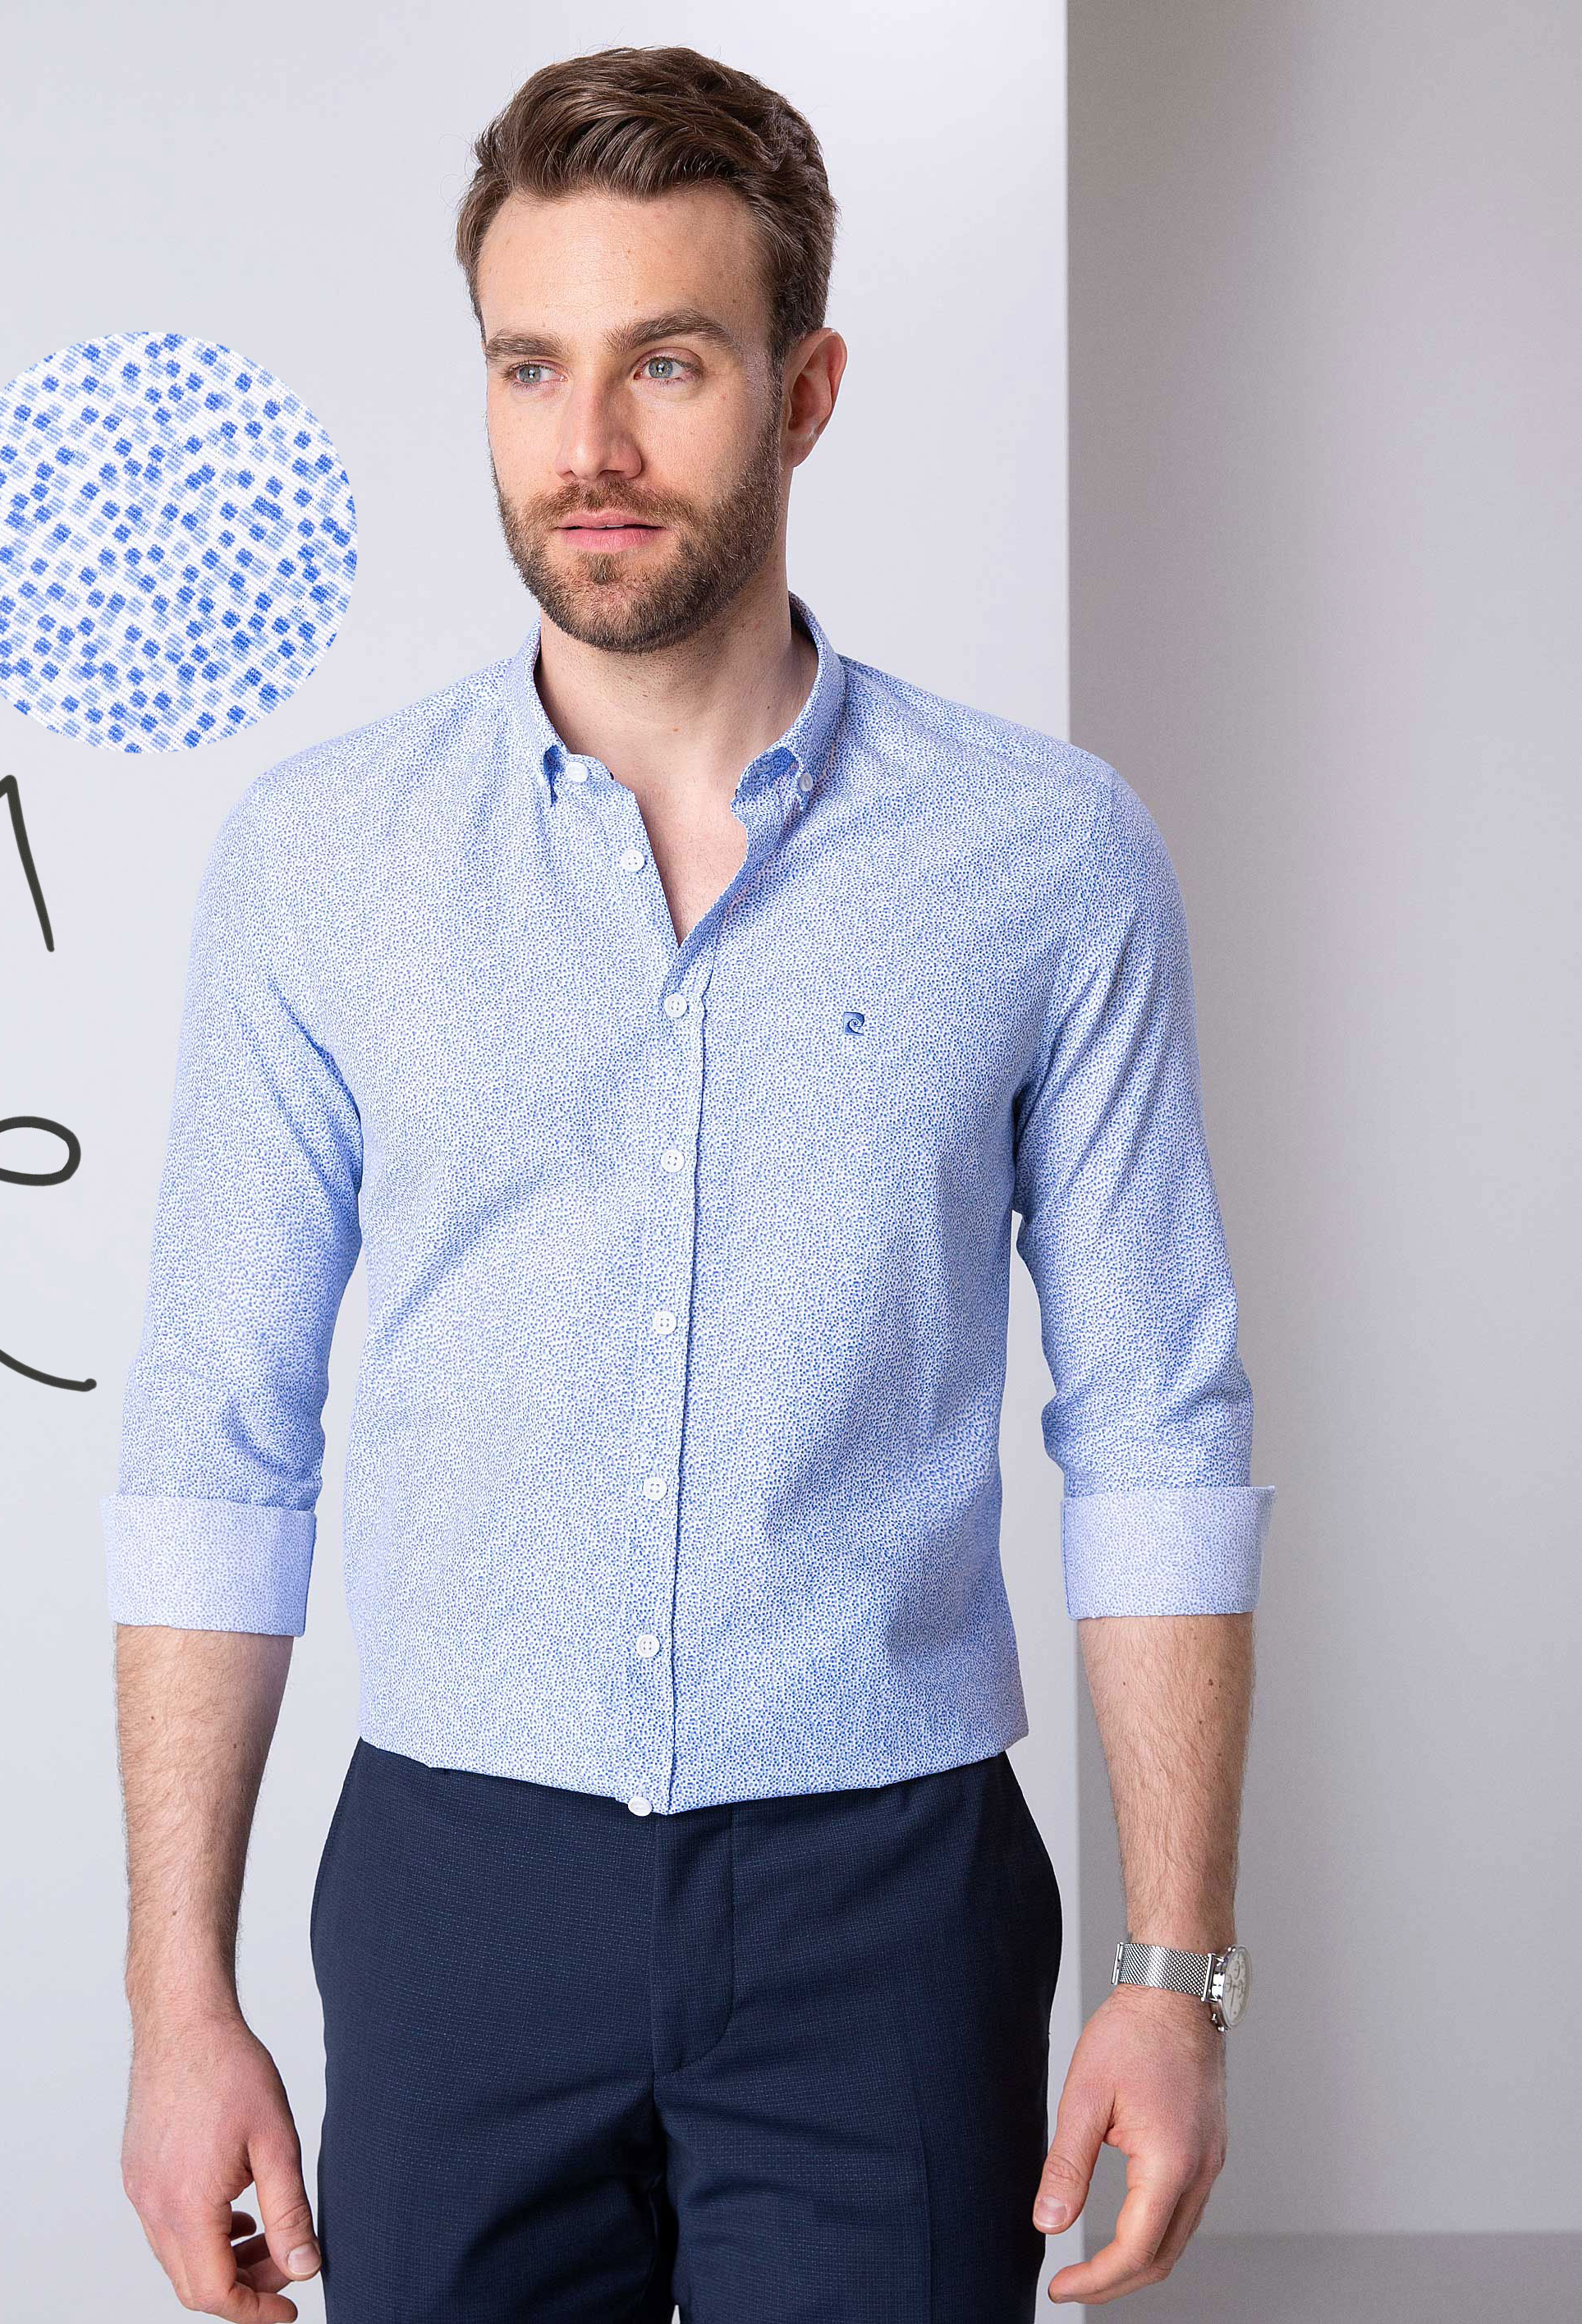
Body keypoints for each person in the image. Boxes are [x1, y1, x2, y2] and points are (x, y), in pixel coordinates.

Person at [103, 42, 1276, 2324]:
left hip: (890, 1902)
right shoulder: (320, 864)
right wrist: (177, 2000)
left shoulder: (1047, 859)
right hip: (453, 1893)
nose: (590, 448)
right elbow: (216, 1442)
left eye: (666, 362)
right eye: (529, 367)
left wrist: (1174, 1970)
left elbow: (1159, 1426)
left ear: (805, 391)